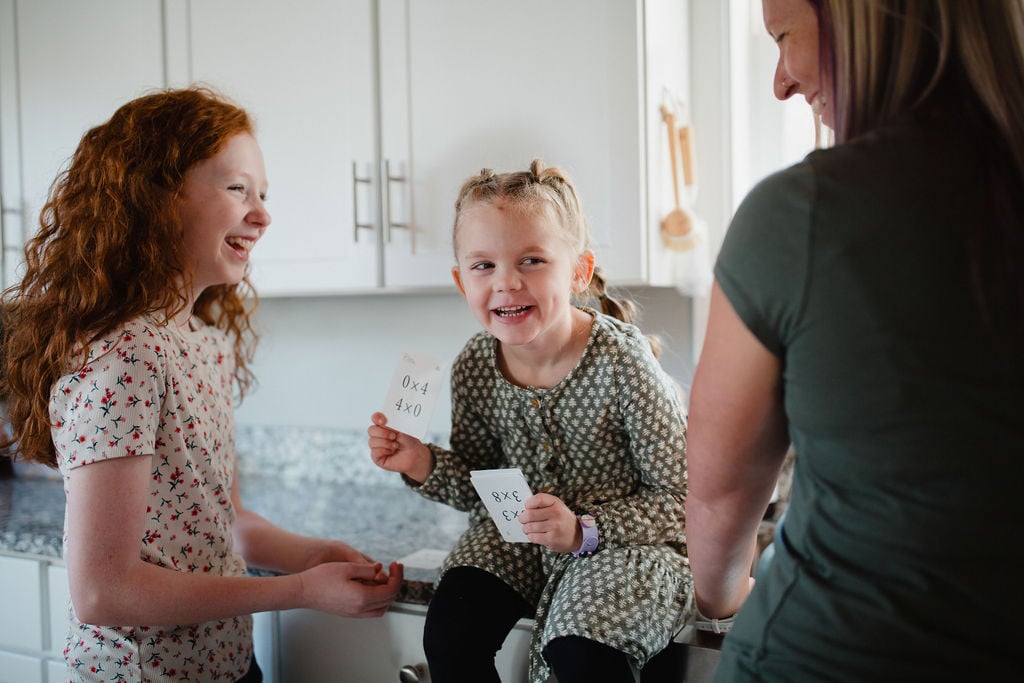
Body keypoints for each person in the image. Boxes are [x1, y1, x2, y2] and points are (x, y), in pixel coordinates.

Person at [0, 86, 403, 682]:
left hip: (226, 663)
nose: (263, 214)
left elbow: (229, 524)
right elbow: (103, 593)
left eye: (263, 194)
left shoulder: (201, 342)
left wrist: (315, 556)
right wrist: (299, 590)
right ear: (156, 197)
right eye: (238, 188)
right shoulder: (124, 357)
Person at [685, 0, 1024, 680]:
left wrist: (721, 595)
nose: (780, 82)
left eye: (784, 35)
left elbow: (719, 498)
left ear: (860, 19)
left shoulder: (800, 215)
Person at [367, 160, 691, 683]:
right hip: (519, 534)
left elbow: (683, 501)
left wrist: (585, 530)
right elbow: (482, 486)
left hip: (626, 547)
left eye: (532, 260)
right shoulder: (475, 364)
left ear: (579, 271)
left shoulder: (622, 362)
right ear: (460, 280)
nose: (507, 282)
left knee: (582, 656)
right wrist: (422, 462)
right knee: (450, 634)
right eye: (483, 266)